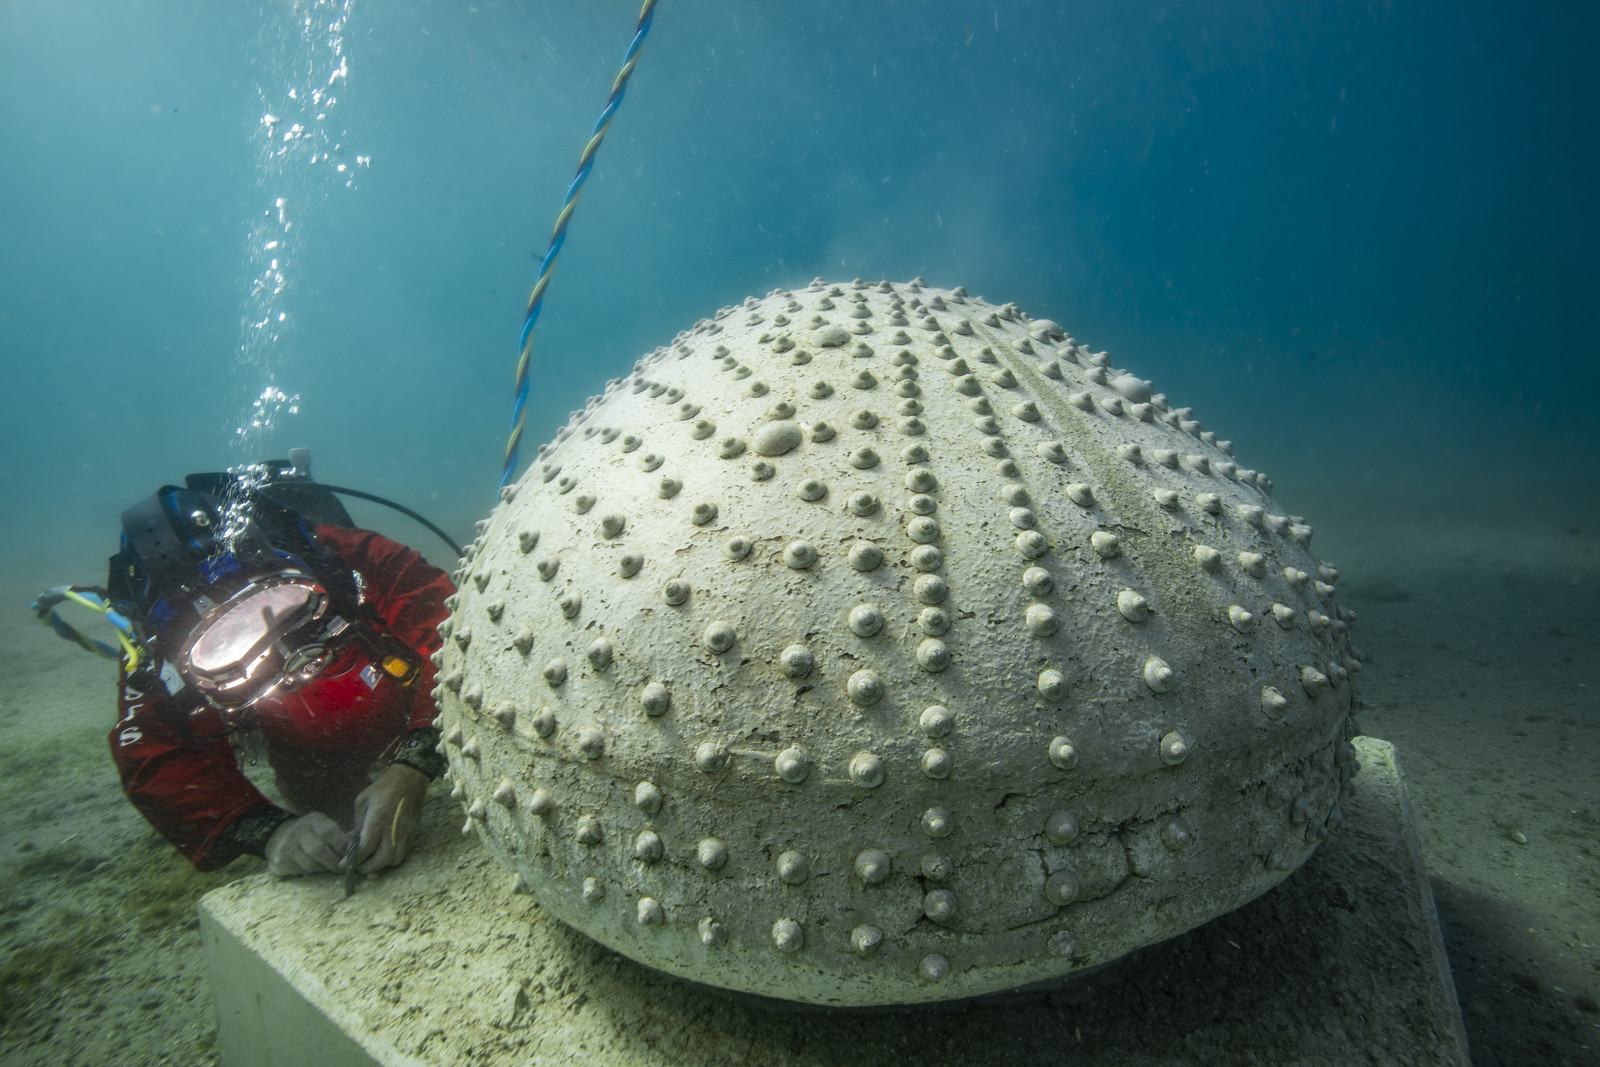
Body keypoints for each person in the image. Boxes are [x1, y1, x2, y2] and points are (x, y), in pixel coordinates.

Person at [98, 457, 456, 879]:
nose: (285, 654)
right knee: (332, 831)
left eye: (280, 607)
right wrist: (270, 832)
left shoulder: (337, 553)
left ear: (298, 567)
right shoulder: (155, 654)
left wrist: (417, 759)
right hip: (308, 749)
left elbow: (449, 627)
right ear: (180, 654)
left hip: (408, 698)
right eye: (225, 645)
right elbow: (153, 754)